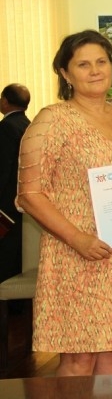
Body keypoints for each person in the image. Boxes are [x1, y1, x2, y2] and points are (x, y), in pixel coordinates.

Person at [16, 30, 112, 376]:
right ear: (65, 74)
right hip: (73, 255)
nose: (95, 70)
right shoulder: (52, 120)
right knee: (78, 359)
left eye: (101, 62)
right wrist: (78, 239)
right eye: (83, 64)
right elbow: (29, 194)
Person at [0, 83, 31, 286]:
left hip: (5, 204)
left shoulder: (6, 127)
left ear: (5, 101)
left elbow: (3, 166)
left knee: (5, 254)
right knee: (19, 253)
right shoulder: (29, 125)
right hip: (24, 200)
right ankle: (16, 308)